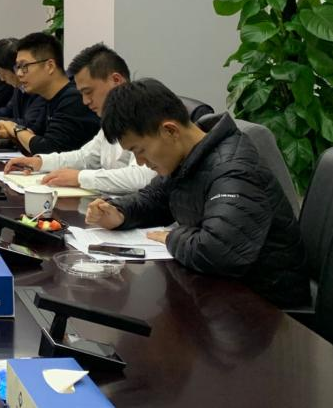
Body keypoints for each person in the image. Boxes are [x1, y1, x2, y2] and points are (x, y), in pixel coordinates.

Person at [85, 79, 310, 308]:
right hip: (222, 293)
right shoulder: (191, 156)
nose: (140, 161)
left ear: (170, 130)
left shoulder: (233, 169)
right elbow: (154, 199)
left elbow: (218, 252)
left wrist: (172, 237)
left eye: (140, 150)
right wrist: (119, 213)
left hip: (267, 308)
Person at [3, 43, 156, 193]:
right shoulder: (112, 118)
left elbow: (141, 177)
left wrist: (80, 178)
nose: (85, 101)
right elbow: (85, 157)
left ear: (116, 80)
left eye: (88, 92)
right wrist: (40, 162)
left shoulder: (147, 114)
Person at [0, 32, 99, 154]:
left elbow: (48, 149)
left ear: (50, 66)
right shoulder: (48, 97)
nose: (19, 73)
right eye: (17, 67)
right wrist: (12, 134)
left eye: (24, 66)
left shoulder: (73, 98)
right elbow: (35, 134)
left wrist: (14, 128)